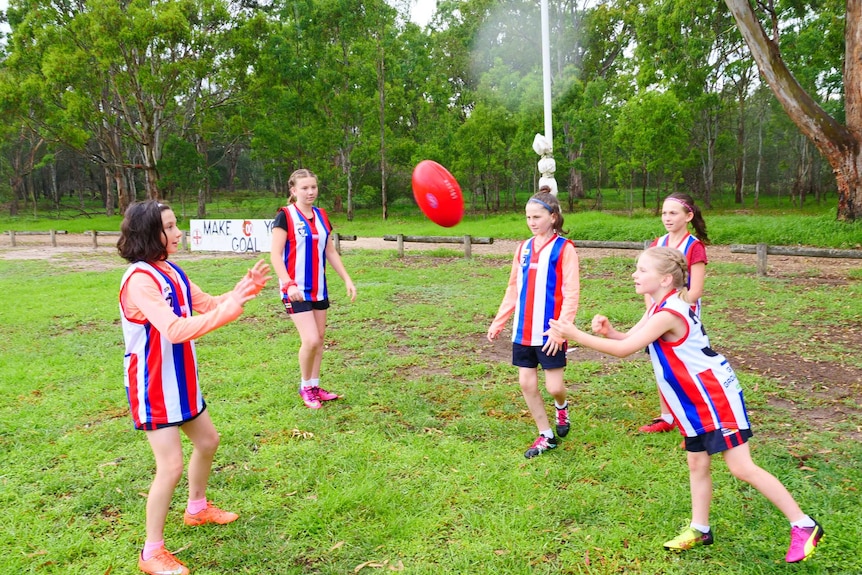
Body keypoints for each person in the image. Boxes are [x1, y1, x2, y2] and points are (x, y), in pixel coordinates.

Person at [546, 247, 823, 563]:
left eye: (641, 270)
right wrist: (610, 332)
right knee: (697, 462)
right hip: (692, 402)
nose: (634, 274)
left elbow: (623, 351)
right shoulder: (658, 308)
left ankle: (804, 524)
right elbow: (628, 341)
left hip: (714, 398)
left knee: (741, 467)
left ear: (664, 279)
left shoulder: (668, 313)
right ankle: (700, 529)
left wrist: (576, 334)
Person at [118, 200, 271, 575]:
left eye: (175, 226)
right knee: (169, 466)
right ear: (148, 233)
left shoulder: (170, 270)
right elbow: (173, 328)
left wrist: (241, 292)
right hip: (154, 385)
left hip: (181, 380)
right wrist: (229, 309)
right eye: (169, 227)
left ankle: (197, 509)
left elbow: (207, 305)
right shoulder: (139, 280)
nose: (178, 233)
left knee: (207, 442)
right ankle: (150, 552)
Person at [487, 191, 580, 459]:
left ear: (553, 217)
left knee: (553, 387)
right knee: (527, 384)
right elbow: (514, 287)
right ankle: (546, 435)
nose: (532, 222)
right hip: (523, 331)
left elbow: (571, 292)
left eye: (537, 217)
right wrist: (499, 321)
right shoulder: (523, 248)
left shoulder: (565, 248)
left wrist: (560, 328)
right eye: (528, 217)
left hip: (550, 331)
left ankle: (561, 406)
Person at [270, 168, 357, 409]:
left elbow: (329, 251)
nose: (310, 192)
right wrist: (288, 283)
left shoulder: (321, 215)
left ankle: (316, 385)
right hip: (295, 290)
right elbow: (275, 255)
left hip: (319, 288)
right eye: (305, 188)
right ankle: (305, 386)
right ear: (293, 190)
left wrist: (347, 278)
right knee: (309, 339)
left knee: (319, 339)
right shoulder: (285, 216)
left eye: (313, 187)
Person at [640, 192, 710, 434]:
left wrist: (670, 307)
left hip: (681, 319)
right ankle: (667, 417)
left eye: (673, 213)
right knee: (662, 365)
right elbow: (648, 283)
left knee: (686, 370)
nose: (667, 218)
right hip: (657, 316)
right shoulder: (657, 244)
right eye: (663, 213)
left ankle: (696, 423)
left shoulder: (694, 247)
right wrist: (653, 308)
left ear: (688, 216)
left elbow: (696, 290)